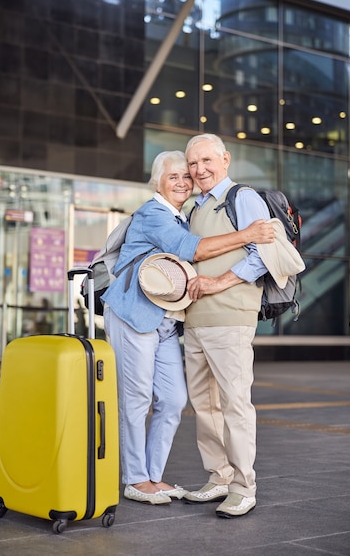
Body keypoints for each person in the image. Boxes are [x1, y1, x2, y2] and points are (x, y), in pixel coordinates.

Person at [101, 150, 274, 505]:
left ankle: (153, 476)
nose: (182, 181)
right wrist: (247, 235)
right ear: (158, 182)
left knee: (175, 399)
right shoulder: (153, 214)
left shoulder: (182, 216)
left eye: (186, 176)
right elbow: (190, 250)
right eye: (173, 177)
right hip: (134, 315)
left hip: (165, 322)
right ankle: (135, 479)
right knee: (135, 400)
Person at [182, 133, 271, 518]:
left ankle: (243, 486)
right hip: (195, 320)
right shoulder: (192, 207)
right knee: (205, 406)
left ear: (225, 159)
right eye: (192, 163)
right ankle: (218, 477)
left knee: (235, 403)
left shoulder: (242, 198)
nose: (199, 169)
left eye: (206, 161)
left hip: (230, 318)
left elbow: (263, 254)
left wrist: (218, 283)